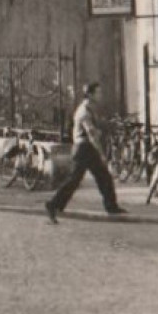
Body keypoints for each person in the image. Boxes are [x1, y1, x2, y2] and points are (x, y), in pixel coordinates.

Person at [45, 81, 127, 223]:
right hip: (84, 149)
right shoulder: (83, 111)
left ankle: (111, 206)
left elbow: (97, 127)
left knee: (103, 177)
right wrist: (101, 153)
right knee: (76, 180)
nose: (101, 95)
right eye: (98, 92)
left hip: (86, 148)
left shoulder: (90, 109)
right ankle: (53, 204)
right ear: (90, 94)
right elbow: (91, 133)